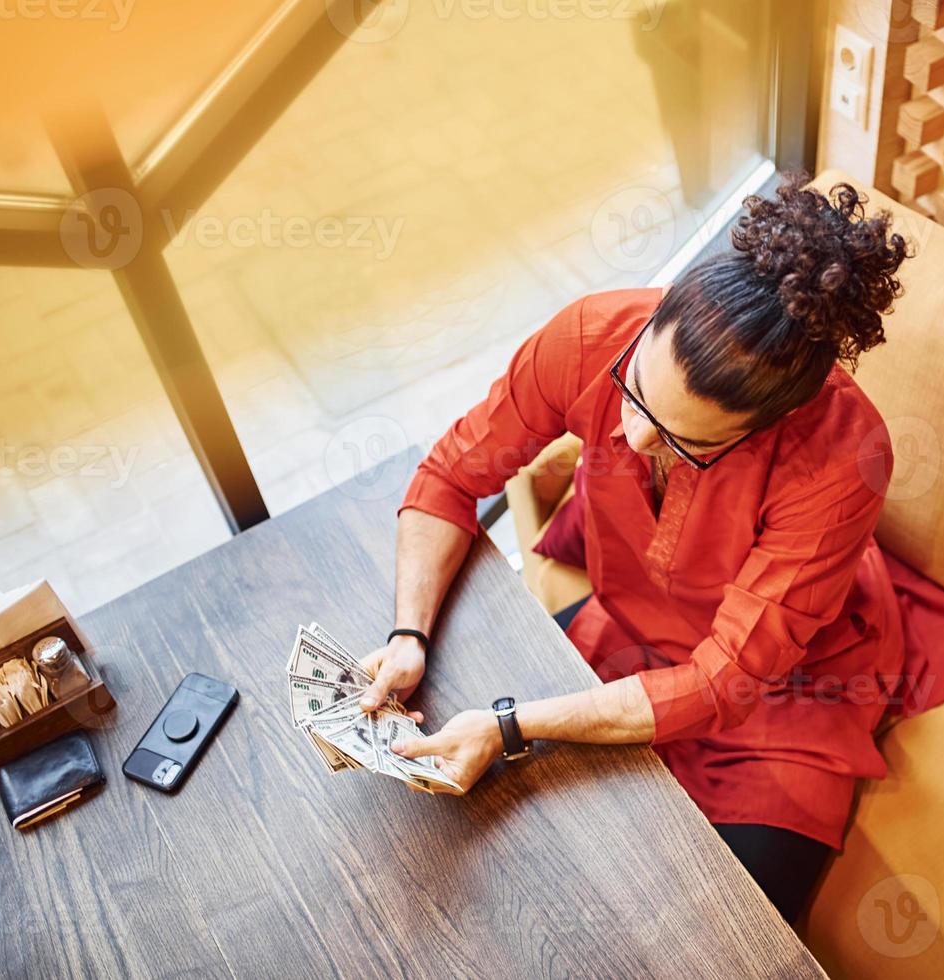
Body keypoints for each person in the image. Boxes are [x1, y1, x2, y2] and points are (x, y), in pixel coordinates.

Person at [361, 173, 910, 923]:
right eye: (634, 390)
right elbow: (451, 476)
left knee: (722, 935)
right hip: (627, 629)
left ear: (768, 425)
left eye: (686, 439)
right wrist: (407, 632)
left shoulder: (843, 461)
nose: (633, 436)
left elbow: (724, 683)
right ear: (657, 320)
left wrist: (514, 724)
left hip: (786, 696)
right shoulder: (593, 333)